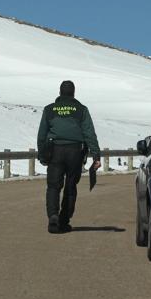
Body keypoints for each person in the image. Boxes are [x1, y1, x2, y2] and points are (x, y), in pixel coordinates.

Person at [37, 80, 101, 234]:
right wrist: (96, 155)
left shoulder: (49, 109)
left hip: (55, 150)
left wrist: (42, 155)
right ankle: (64, 221)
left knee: (53, 186)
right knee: (70, 187)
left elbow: (42, 135)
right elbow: (89, 133)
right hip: (75, 151)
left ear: (59, 92)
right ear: (73, 93)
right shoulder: (81, 109)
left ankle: (53, 217)